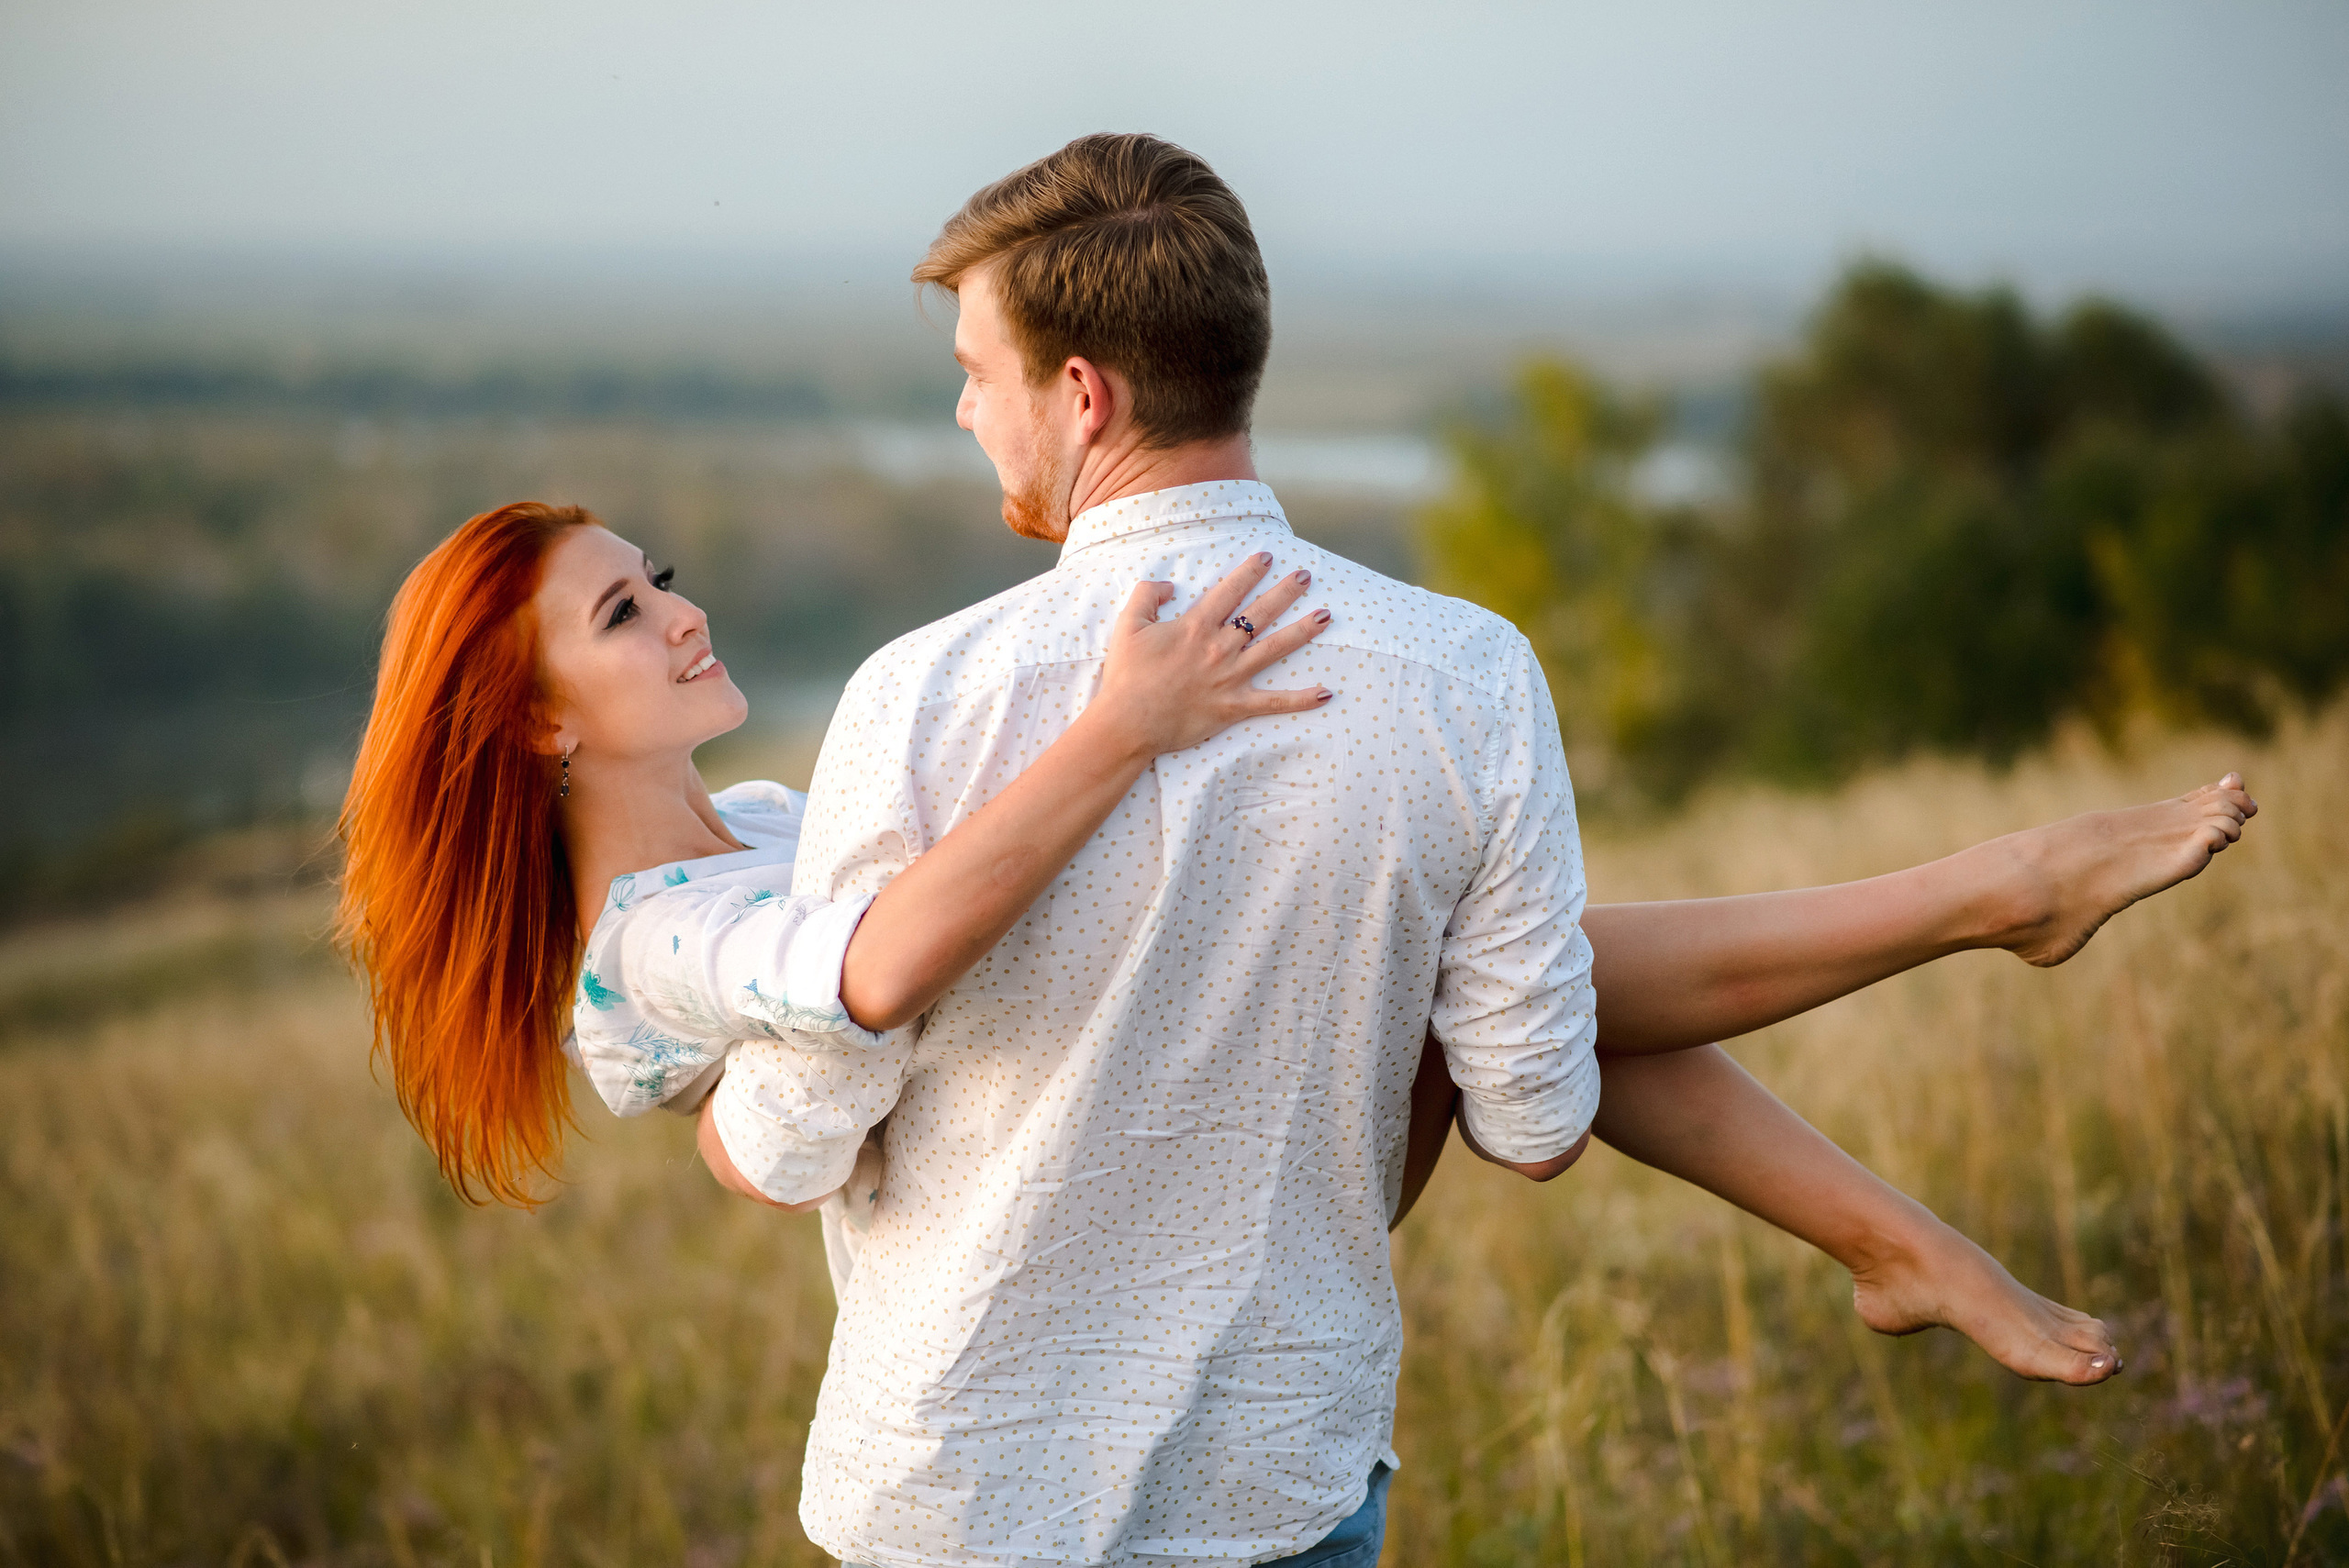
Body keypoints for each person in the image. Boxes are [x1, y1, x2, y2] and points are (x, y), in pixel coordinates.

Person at [772, 133, 2254, 1568]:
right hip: (1268, 1476)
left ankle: (1974, 954)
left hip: (953, 1493)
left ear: (1082, 393)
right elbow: (1536, 1121)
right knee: (1495, 963)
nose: (968, 415)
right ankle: (1981, 917)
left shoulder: (919, 694)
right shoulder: (1465, 673)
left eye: (975, 377)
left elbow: (802, 1136)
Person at [334, 499, 1336, 1243]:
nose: (685, 616)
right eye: (620, 616)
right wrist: (1126, 723)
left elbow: (955, 875)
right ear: (539, 717)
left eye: (660, 582)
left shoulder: (763, 811)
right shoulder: (645, 943)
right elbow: (871, 970)